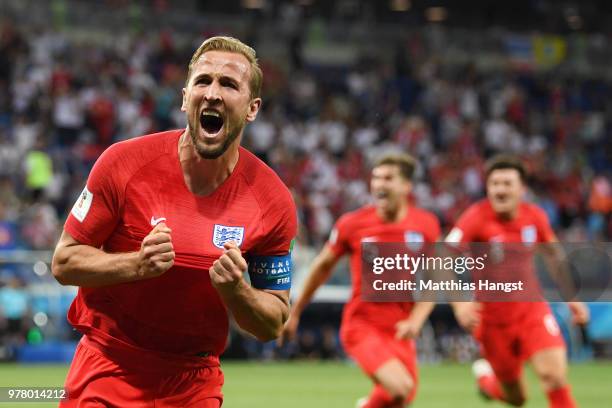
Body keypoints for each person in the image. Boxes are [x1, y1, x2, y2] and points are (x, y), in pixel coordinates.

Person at [51, 36, 297, 407]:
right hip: (108, 367)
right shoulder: (122, 164)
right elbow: (64, 262)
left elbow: (273, 323)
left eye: (229, 84)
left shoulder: (272, 200)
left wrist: (237, 291)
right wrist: (136, 264)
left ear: (252, 108)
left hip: (192, 384)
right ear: (185, 98)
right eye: (203, 81)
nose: (213, 93)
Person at [280, 153, 440, 408]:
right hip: (362, 326)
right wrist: (295, 311)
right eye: (376, 178)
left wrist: (416, 320)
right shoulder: (353, 224)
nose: (379, 185)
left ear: (406, 186)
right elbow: (321, 268)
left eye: (388, 178)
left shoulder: (426, 225)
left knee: (400, 397)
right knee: (400, 387)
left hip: (400, 329)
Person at [446, 154, 589, 408]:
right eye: (494, 184)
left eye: (507, 183)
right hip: (492, 322)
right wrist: (459, 303)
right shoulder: (475, 218)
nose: (500, 190)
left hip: (531, 312)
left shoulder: (535, 216)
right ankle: (488, 382)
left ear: (522, 188)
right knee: (517, 399)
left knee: (554, 377)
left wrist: (572, 299)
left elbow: (554, 256)